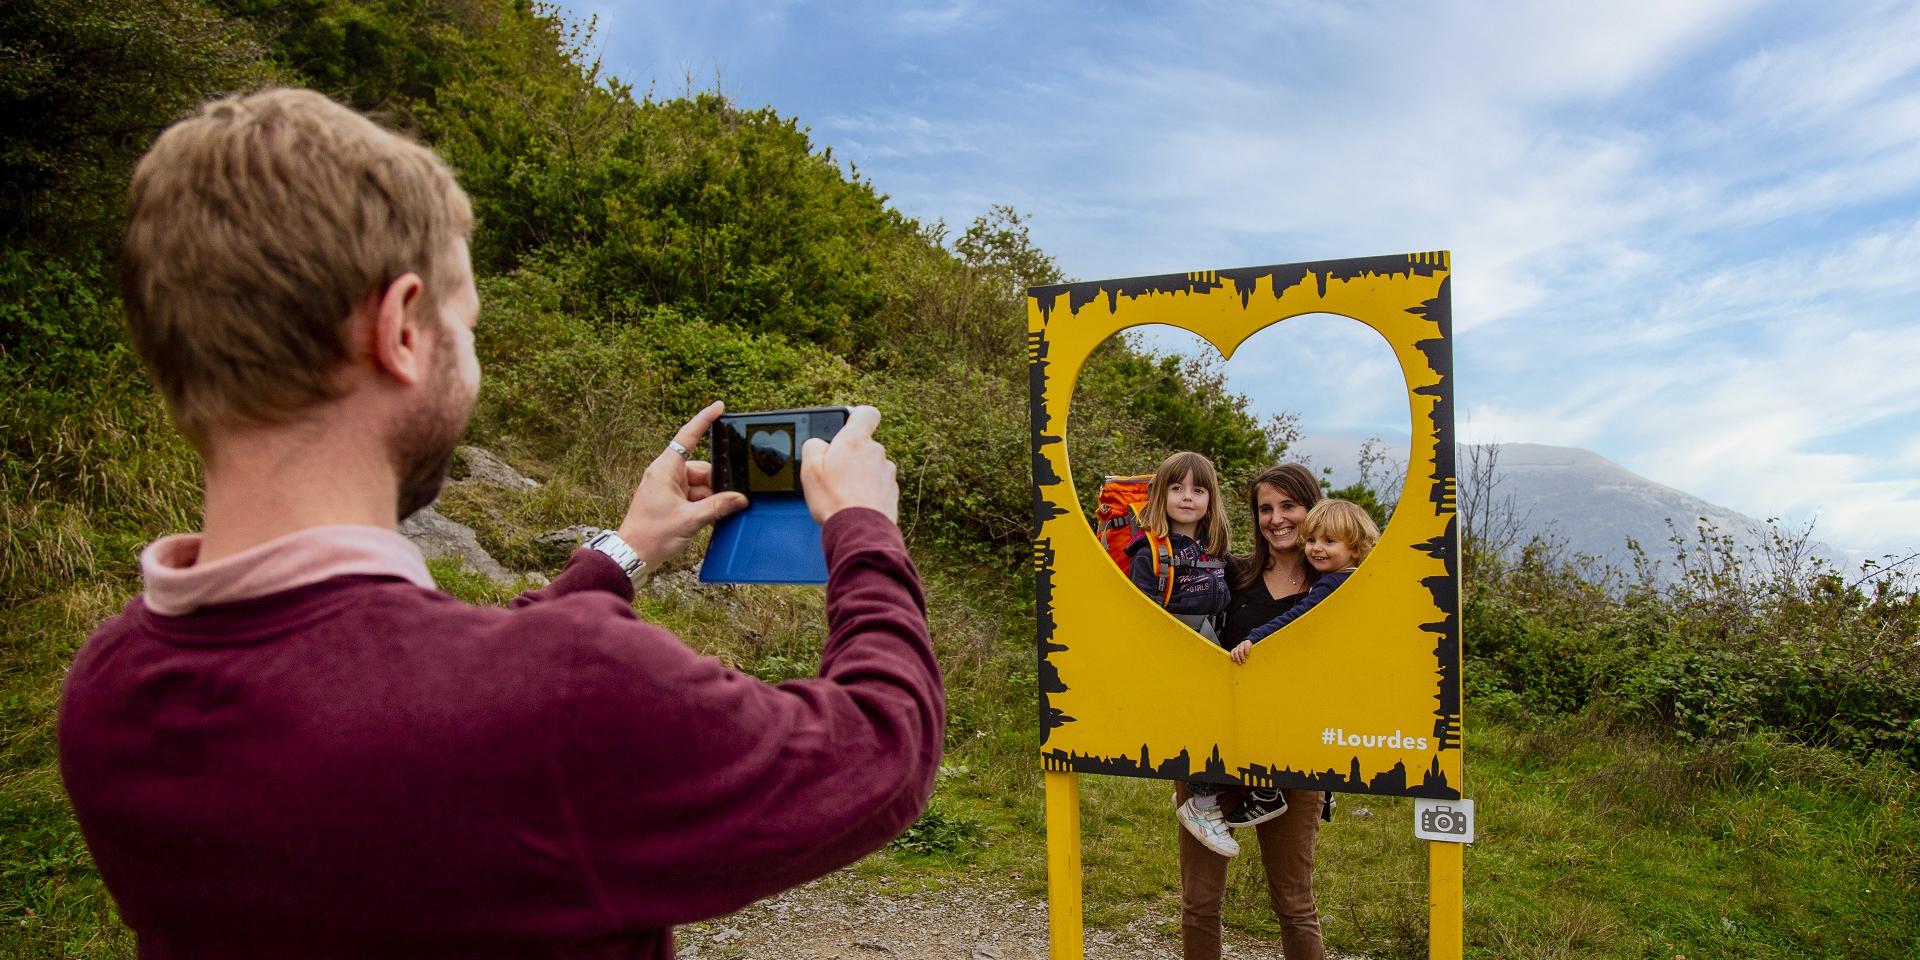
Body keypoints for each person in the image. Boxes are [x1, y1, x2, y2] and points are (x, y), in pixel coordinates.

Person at [56, 88, 943, 959]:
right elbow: (880, 745)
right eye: (467, 326)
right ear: (403, 329)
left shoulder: (110, 691)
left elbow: (425, 686)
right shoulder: (565, 694)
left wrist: (623, 553)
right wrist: (864, 529)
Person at [1176, 464, 1332, 960]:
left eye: (1289, 506)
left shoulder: (1337, 587)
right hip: (1212, 754)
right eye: (1266, 508)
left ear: (1313, 508)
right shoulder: (1232, 575)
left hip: (1295, 756)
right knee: (1200, 903)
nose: (1276, 519)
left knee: (1294, 903)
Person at [1120, 453, 1239, 857]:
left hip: (1212, 646)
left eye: (1198, 490)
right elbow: (1141, 615)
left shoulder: (1214, 549)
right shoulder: (1148, 552)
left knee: (1228, 720)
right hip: (1179, 654)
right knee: (1211, 723)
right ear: (1161, 495)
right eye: (1177, 488)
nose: (1187, 498)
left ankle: (1199, 792)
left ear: (1210, 499)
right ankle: (1202, 805)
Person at [1238, 498, 1380, 648]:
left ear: (1356, 549)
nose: (1316, 547)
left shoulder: (1332, 584)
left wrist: (1256, 637)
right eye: (1311, 540)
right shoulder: (1357, 579)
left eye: (1329, 541)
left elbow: (1298, 617)